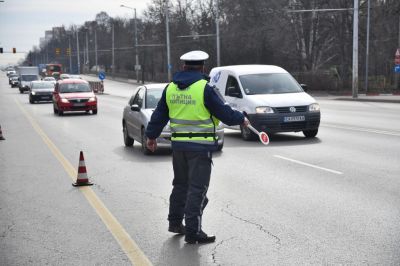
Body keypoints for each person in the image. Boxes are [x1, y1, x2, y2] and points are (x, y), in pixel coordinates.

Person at [145, 50, 249, 244]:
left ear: (183, 67)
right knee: (197, 189)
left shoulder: (171, 88)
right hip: (200, 148)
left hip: (178, 147)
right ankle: (193, 231)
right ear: (203, 68)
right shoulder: (204, 88)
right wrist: (241, 118)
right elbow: (225, 113)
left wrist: (151, 137)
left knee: (180, 185)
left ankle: (175, 223)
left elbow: (159, 115)